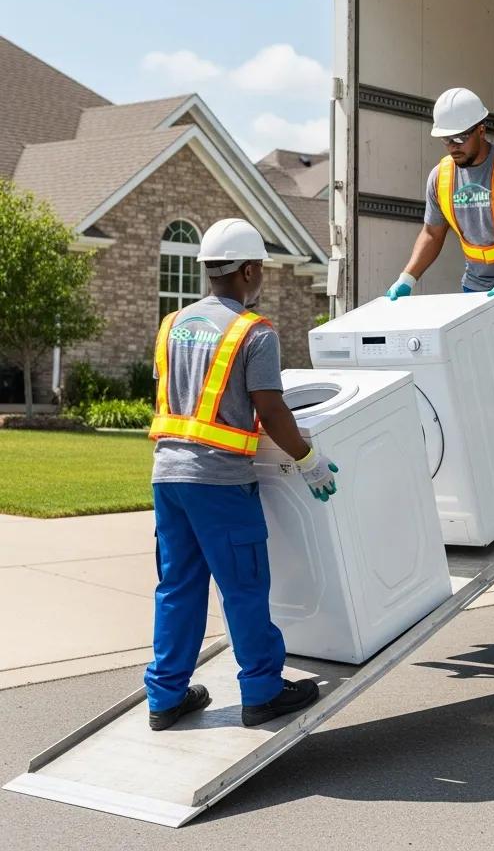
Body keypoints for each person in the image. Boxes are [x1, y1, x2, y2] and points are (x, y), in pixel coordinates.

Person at [145, 218, 339, 731]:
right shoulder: (254, 332)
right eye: (262, 271)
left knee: (177, 587)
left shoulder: (173, 325)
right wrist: (308, 459)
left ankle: (165, 697)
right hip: (220, 483)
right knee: (244, 586)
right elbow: (271, 410)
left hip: (168, 476)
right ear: (250, 269)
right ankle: (262, 690)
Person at [385, 87, 494, 506]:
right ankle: (491, 464)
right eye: (446, 140)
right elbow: (433, 232)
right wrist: (408, 277)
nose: (453, 147)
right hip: (476, 288)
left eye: (460, 138)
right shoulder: (441, 176)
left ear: (481, 129)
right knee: (476, 378)